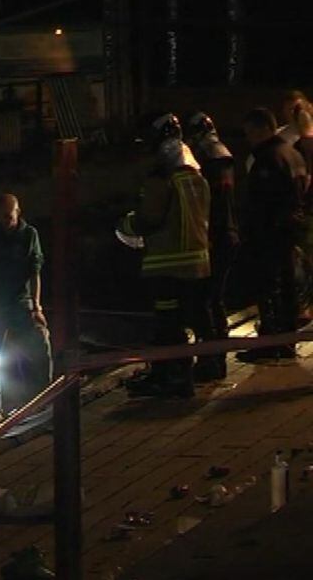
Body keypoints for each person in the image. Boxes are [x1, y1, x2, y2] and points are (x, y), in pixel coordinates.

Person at [122, 113, 211, 398]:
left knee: (166, 325)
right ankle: (183, 375)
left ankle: (169, 378)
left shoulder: (161, 179)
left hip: (166, 266)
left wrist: (124, 224)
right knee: (185, 321)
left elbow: (149, 219)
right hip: (197, 264)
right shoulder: (196, 177)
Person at [0, 194, 53, 415]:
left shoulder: (28, 234)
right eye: (3, 217)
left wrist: (37, 307)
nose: (8, 221)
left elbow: (35, 271)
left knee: (40, 344)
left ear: (18, 212)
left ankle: (44, 400)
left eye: (11, 216)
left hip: (19, 302)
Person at [237, 108, 306, 362]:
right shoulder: (293, 155)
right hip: (289, 231)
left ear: (265, 129)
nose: (249, 139)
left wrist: (252, 231)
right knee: (287, 286)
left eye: (251, 133)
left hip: (269, 234)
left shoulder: (268, 159)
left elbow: (261, 202)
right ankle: (286, 342)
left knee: (268, 288)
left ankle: (270, 343)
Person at [185, 112, 240, 381]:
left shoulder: (205, 157)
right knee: (215, 299)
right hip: (227, 233)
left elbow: (207, 203)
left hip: (212, 237)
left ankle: (211, 361)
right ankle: (216, 358)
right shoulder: (224, 155)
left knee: (204, 301)